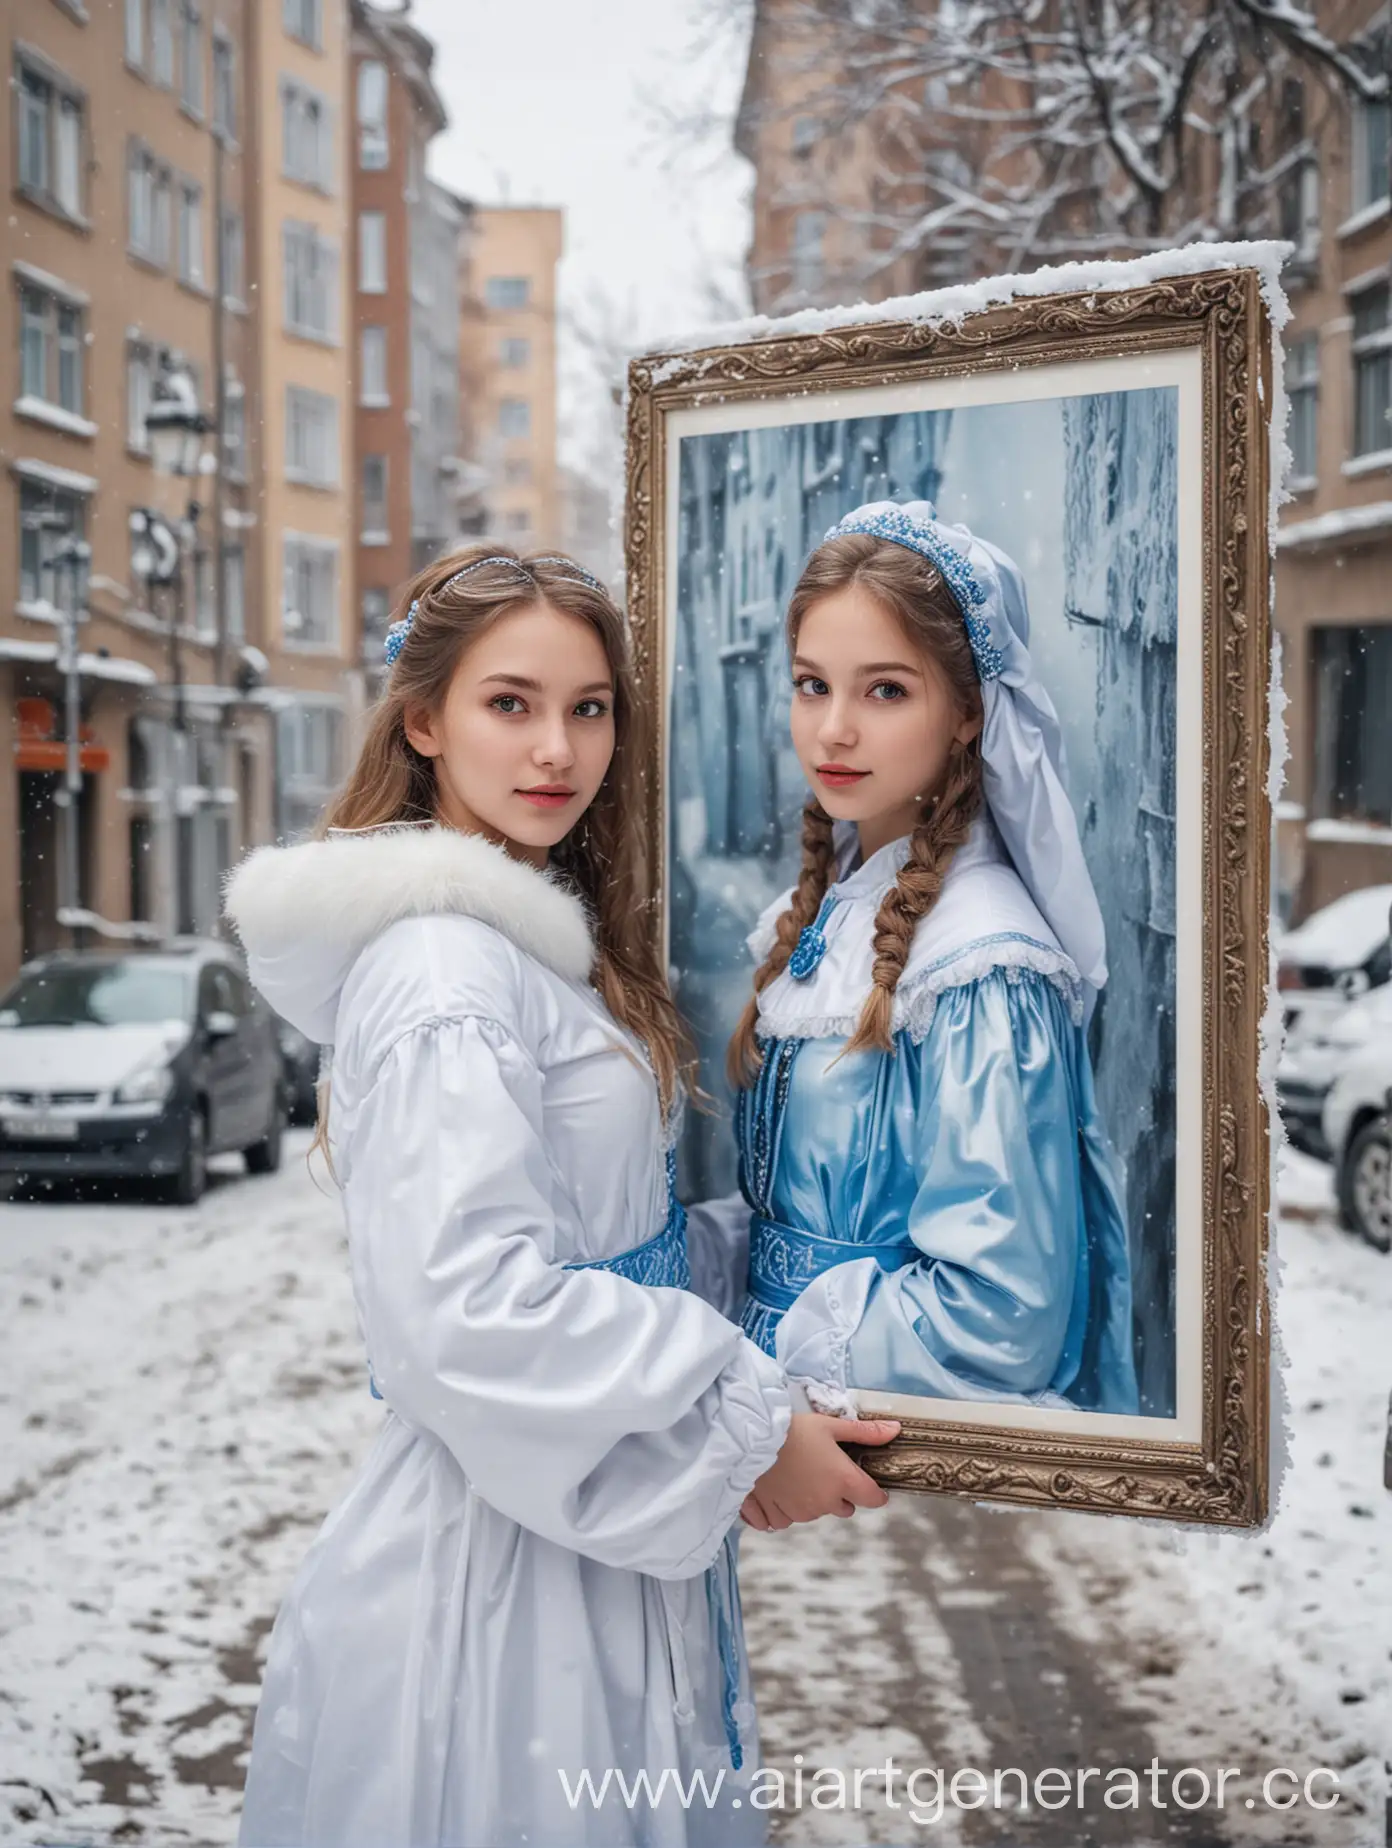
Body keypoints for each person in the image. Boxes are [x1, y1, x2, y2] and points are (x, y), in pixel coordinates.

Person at [224, 547, 900, 1848]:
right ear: (423, 721)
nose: (558, 749)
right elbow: (466, 1314)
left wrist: (788, 1263)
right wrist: (743, 1428)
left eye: (590, 707)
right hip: (495, 1586)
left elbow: (599, 1251)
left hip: (578, 1530)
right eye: (511, 704)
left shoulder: (530, 949)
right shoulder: (442, 976)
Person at [719, 502, 1139, 1416]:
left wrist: (770, 1369)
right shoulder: (834, 905)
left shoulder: (984, 964)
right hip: (765, 1431)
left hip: (855, 1438)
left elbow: (1001, 1319)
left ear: (967, 715)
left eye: (885, 690)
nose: (832, 729)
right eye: (810, 684)